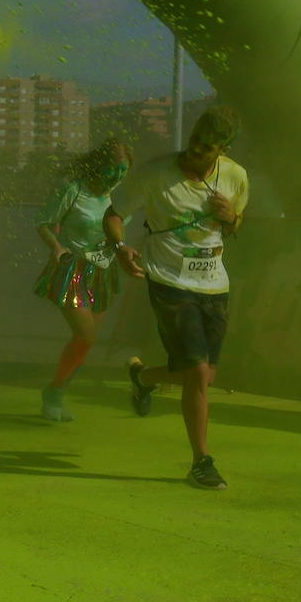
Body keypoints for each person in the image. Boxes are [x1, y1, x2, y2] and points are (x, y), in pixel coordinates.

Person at [103, 106, 248, 490]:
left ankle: (143, 377)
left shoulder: (235, 177)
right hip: (169, 280)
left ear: (223, 150)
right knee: (198, 373)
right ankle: (201, 462)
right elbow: (113, 215)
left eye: (206, 148)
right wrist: (120, 248)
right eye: (194, 143)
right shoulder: (155, 174)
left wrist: (230, 216)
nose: (195, 153)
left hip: (215, 284)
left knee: (200, 376)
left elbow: (235, 227)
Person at [32, 137, 133, 421]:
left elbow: (118, 233)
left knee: (87, 342)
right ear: (98, 166)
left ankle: (58, 391)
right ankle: (53, 392)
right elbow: (42, 222)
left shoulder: (119, 199)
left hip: (102, 272)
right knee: (85, 334)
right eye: (113, 169)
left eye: (123, 171)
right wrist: (56, 247)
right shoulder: (73, 190)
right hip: (73, 268)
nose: (117, 177)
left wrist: (124, 252)